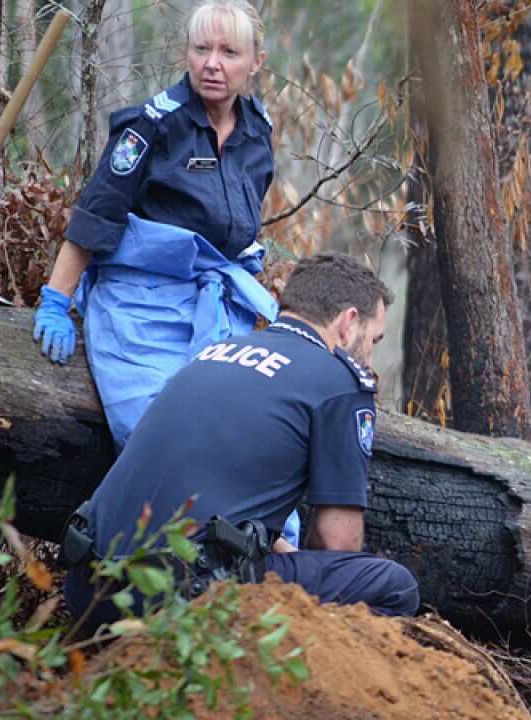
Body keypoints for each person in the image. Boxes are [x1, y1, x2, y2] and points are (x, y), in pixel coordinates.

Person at [62, 254, 420, 629]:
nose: (370, 357)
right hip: (183, 602)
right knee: (394, 586)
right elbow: (337, 544)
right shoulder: (339, 383)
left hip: (91, 591)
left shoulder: (214, 355)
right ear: (347, 323)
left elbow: (224, 495)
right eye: (373, 339)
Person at [31, 0, 278, 452]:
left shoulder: (257, 134)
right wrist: (55, 301)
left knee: (246, 441)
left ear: (256, 63)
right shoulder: (151, 126)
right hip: (139, 309)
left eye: (229, 53)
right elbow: (95, 217)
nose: (212, 64)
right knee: (162, 438)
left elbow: (239, 234)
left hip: (214, 311)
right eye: (201, 49)